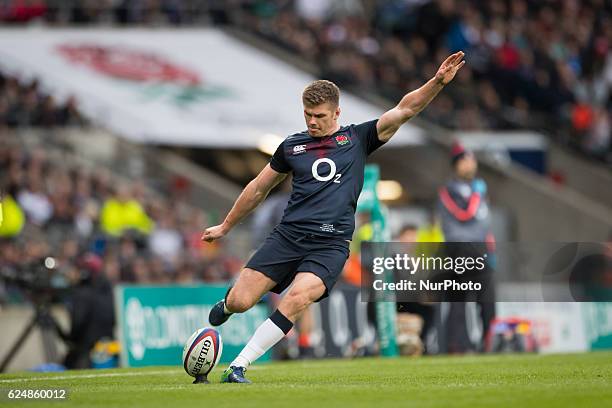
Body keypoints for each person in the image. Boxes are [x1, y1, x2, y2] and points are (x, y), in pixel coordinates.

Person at [201, 51, 466, 383]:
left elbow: (405, 109)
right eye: (308, 115)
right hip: (288, 237)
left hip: (330, 244)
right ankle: (227, 306)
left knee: (297, 298)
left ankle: (238, 366)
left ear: (337, 112)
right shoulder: (291, 147)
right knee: (242, 301)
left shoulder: (357, 139)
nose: (312, 122)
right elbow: (257, 188)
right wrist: (226, 226)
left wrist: (437, 83)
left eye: (320, 116)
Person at [437, 142, 496, 353]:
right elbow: (464, 215)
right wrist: (477, 195)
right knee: (459, 299)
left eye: (472, 159)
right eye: (465, 160)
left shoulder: (478, 187)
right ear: (456, 165)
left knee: (487, 299)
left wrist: (491, 249)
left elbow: (484, 222)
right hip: (459, 248)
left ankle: (490, 340)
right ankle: (457, 345)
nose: (470, 164)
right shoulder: (450, 190)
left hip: (480, 249)